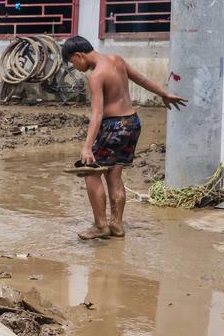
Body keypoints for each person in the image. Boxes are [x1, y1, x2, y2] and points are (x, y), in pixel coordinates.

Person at [61, 36, 187, 240]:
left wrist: (86, 147)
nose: (75, 67)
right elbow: (142, 80)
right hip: (132, 124)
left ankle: (100, 226)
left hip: (113, 126)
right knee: (114, 175)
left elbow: (97, 114)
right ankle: (117, 225)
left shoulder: (96, 76)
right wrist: (164, 93)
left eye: (72, 63)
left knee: (91, 174)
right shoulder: (116, 60)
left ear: (79, 55)